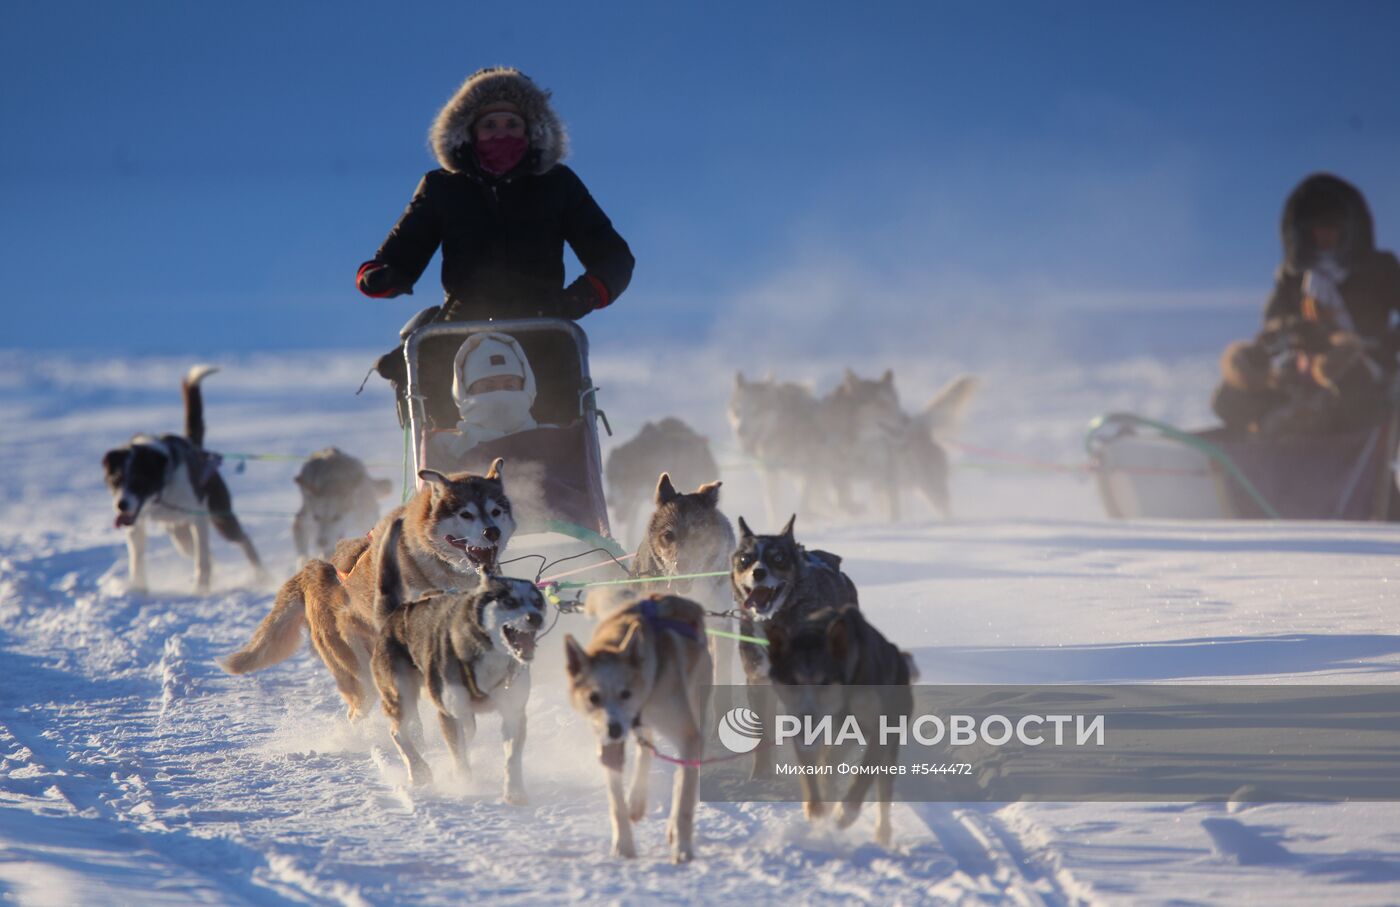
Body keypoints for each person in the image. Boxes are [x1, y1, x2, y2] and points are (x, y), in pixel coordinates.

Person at [360, 67, 634, 427]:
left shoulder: (557, 184)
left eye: (512, 125)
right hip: (460, 330)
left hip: (544, 325)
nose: (501, 134)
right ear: (468, 132)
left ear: (532, 131)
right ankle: (449, 479)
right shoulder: (442, 188)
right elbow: (400, 255)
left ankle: (564, 479)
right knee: (446, 428)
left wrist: (582, 296)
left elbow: (613, 257)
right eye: (490, 125)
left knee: (555, 430)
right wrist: (383, 277)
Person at [1212, 174, 1400, 435]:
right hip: (1301, 369)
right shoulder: (1293, 279)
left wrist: (1386, 342)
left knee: (1349, 384)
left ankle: (1327, 449)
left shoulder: (1379, 270)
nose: (1324, 237)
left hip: (1364, 374)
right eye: (1316, 230)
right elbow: (1273, 324)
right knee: (1231, 396)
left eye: (1331, 229)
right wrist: (1276, 342)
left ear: (1350, 231)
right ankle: (1240, 456)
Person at [425, 332, 540, 465]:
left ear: (525, 387)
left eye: (510, 386)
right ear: (467, 393)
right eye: (488, 388)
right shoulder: (445, 446)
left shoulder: (550, 438)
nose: (500, 395)